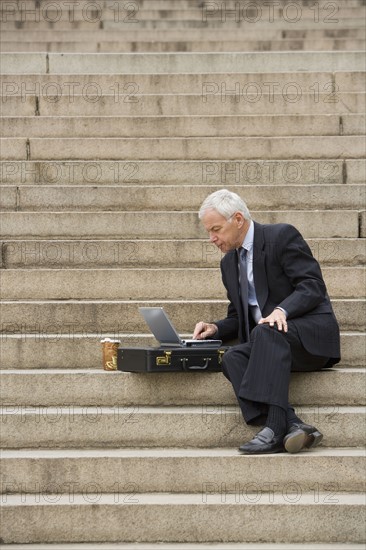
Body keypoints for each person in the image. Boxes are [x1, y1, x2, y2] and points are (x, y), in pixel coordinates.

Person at [193, 189, 340, 454]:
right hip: (268, 343)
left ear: (238, 219)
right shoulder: (229, 264)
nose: (212, 239)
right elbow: (238, 317)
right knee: (232, 357)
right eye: (208, 232)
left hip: (307, 337)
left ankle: (273, 429)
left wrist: (282, 310)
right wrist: (215, 328)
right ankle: (292, 423)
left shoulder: (281, 236)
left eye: (216, 229)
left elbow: (312, 285)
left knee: (267, 329)